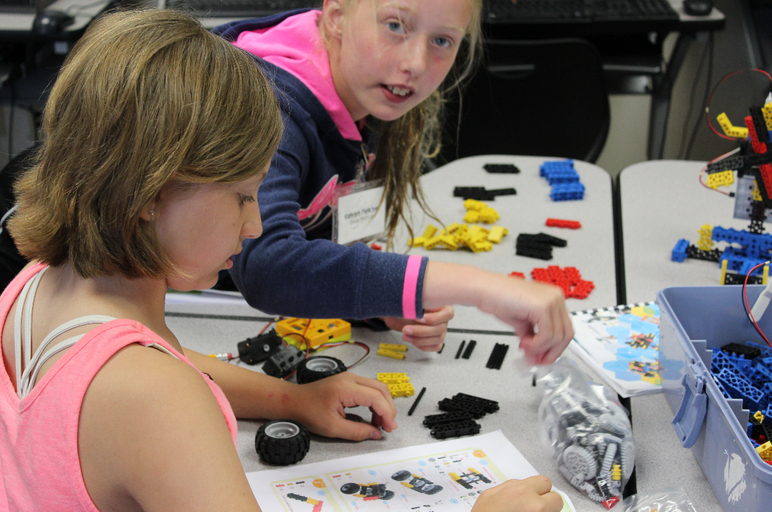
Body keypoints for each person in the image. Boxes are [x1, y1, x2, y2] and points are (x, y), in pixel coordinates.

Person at [0, 8, 563, 512]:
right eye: (244, 197)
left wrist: (291, 399)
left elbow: (169, 360)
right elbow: (160, 387)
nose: (257, 224)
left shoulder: (33, 287)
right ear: (151, 195)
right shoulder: (158, 400)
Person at [215, 0, 574, 363]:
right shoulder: (269, 106)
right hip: (191, 321)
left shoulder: (366, 86)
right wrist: (480, 287)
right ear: (337, 16)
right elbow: (267, 266)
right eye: (394, 26)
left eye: (442, 41)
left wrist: (384, 302)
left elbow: (314, 235)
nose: (415, 64)